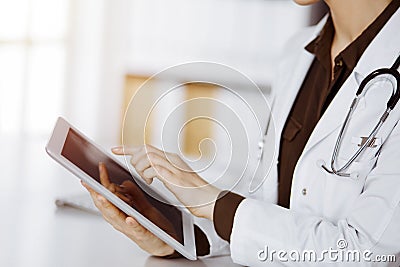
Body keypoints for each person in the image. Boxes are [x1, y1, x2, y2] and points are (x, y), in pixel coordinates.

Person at [84, 0, 400, 265]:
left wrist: (215, 204)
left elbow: (366, 255)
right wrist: (175, 233)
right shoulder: (298, 53)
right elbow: (270, 210)